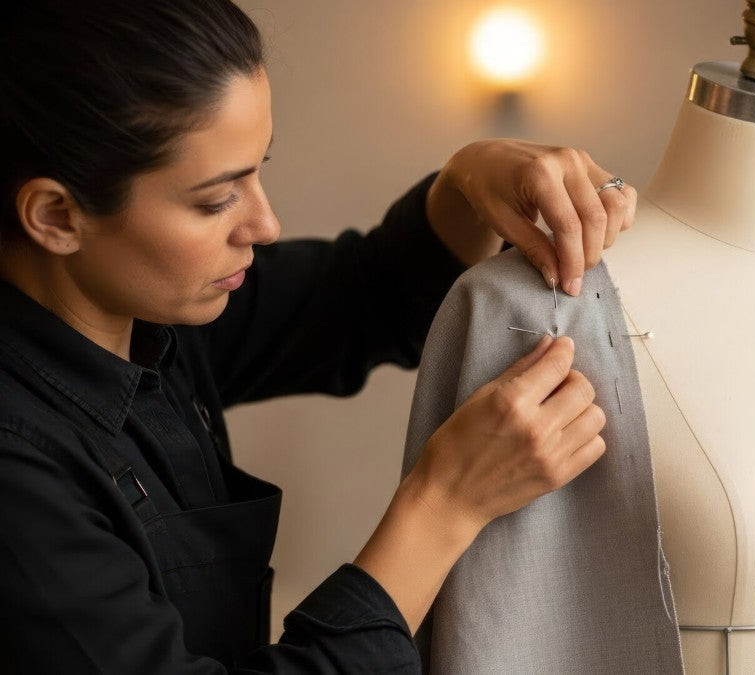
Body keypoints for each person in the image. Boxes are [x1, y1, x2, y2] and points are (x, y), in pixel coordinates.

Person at [0, 1, 635, 672]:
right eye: (216, 200)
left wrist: (470, 177)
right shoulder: (18, 477)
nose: (265, 223)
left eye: (257, 170)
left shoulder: (141, 314)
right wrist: (443, 504)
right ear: (55, 215)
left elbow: (359, 296)